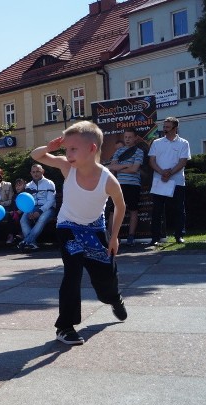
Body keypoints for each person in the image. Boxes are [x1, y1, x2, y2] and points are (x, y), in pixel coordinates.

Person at [30, 121, 128, 346]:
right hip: (68, 227)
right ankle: (65, 326)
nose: (68, 153)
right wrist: (49, 147)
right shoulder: (67, 167)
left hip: (95, 229)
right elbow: (36, 156)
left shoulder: (107, 179)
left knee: (105, 280)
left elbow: (120, 205)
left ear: (92, 149)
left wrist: (113, 237)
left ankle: (113, 298)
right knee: (72, 271)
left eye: (73, 148)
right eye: (66, 149)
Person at [148, 116, 190, 245]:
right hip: (159, 181)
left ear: (175, 128)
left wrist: (169, 173)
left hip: (177, 181)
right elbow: (151, 161)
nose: (164, 129)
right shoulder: (157, 142)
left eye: (167, 127)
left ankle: (179, 235)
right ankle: (155, 238)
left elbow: (183, 161)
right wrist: (162, 172)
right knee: (157, 210)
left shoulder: (184, 143)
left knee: (178, 210)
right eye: (164, 126)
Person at [106, 127, 144, 246]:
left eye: (130, 137)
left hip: (133, 185)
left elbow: (135, 169)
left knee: (133, 210)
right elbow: (112, 167)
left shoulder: (139, 151)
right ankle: (110, 236)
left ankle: (131, 236)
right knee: (113, 211)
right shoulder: (118, 151)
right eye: (125, 137)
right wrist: (127, 165)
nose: (127, 139)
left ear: (135, 138)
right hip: (118, 185)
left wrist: (121, 167)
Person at [18, 164, 57, 251]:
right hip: (32, 208)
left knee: (42, 218)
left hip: (48, 208)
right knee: (23, 220)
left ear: (42, 171)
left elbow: (50, 201)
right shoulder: (28, 185)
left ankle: (27, 241)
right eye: (34, 172)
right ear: (31, 173)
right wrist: (29, 211)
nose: (36, 174)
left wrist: (39, 212)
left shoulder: (49, 183)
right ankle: (32, 244)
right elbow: (29, 201)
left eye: (38, 171)